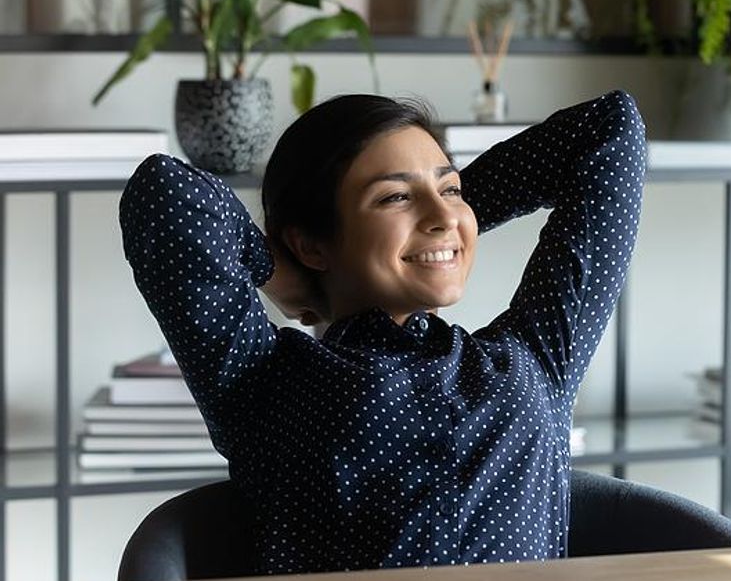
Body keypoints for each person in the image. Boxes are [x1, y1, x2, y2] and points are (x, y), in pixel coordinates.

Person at [118, 89, 647, 573]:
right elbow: (166, 194)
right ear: (310, 244)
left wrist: (449, 223)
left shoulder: (536, 356)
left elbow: (612, 130)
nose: (442, 212)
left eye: (451, 188)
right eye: (393, 197)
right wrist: (283, 271)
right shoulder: (263, 380)